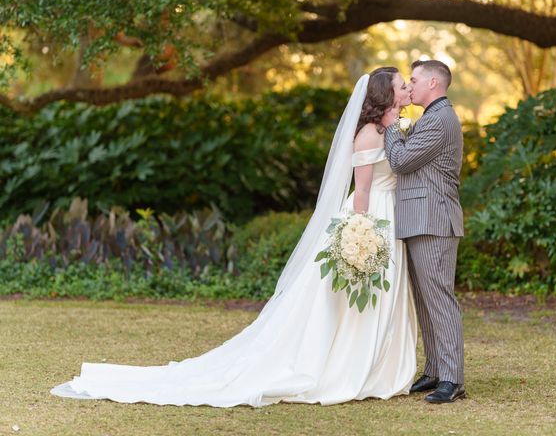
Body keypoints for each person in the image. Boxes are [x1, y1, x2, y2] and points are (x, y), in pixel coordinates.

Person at [50, 68, 418, 408]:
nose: (407, 89)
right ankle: (347, 366)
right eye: (402, 85)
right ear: (386, 95)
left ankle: (373, 364)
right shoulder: (369, 134)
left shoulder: (395, 128)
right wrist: (363, 231)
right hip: (370, 218)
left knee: (379, 296)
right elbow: (364, 190)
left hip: (391, 213)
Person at [383, 59, 465, 404]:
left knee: (439, 299)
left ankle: (452, 379)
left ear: (433, 83)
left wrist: (390, 128)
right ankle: (434, 369)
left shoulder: (440, 120)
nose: (409, 86)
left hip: (434, 219)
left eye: (413, 80)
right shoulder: (430, 117)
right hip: (419, 218)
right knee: (425, 300)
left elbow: (401, 161)